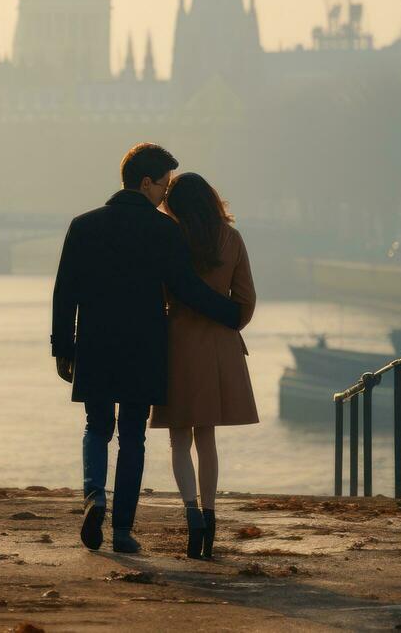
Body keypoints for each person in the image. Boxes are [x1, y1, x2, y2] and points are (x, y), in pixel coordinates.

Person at [52, 143, 242, 554]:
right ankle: (122, 531)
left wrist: (62, 348)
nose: (165, 194)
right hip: (144, 346)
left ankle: (93, 497)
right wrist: (229, 313)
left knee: (96, 427)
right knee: (132, 438)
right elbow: (185, 288)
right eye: (164, 185)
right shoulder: (163, 230)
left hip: (95, 343)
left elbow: (64, 294)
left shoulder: (83, 225)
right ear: (146, 183)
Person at [150, 172, 259, 560]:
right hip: (218, 346)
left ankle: (191, 513)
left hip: (177, 342)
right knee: (206, 438)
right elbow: (245, 300)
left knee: (178, 438)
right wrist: (227, 326)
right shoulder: (231, 239)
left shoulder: (170, 237)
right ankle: (211, 515)